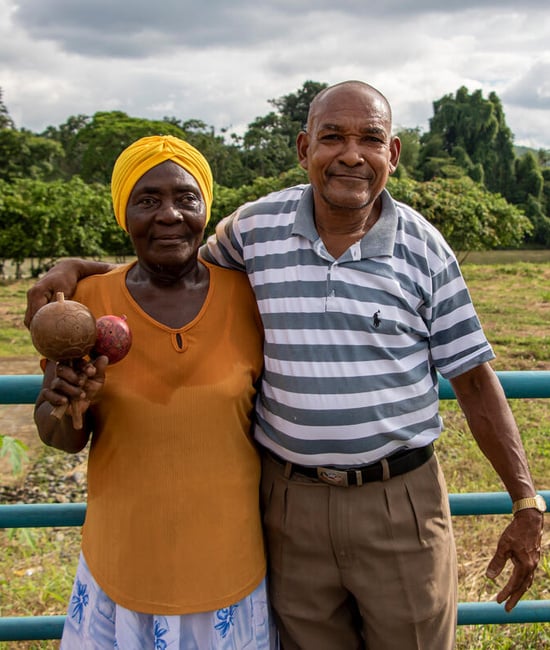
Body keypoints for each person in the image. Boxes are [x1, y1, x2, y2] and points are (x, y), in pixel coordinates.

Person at [26, 82, 544, 650]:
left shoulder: (425, 248)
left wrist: (524, 499)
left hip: (398, 502)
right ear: (303, 149)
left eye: (370, 138)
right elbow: (169, 263)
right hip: (288, 509)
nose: (351, 154)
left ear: (392, 154)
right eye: (332, 137)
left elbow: (472, 376)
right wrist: (81, 270)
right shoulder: (255, 231)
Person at [32, 135, 278, 649]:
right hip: (122, 569)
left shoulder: (249, 296)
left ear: (206, 210)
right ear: (124, 213)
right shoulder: (84, 304)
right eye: (147, 199)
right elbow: (60, 437)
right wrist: (64, 404)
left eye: (186, 198)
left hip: (229, 569)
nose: (169, 214)